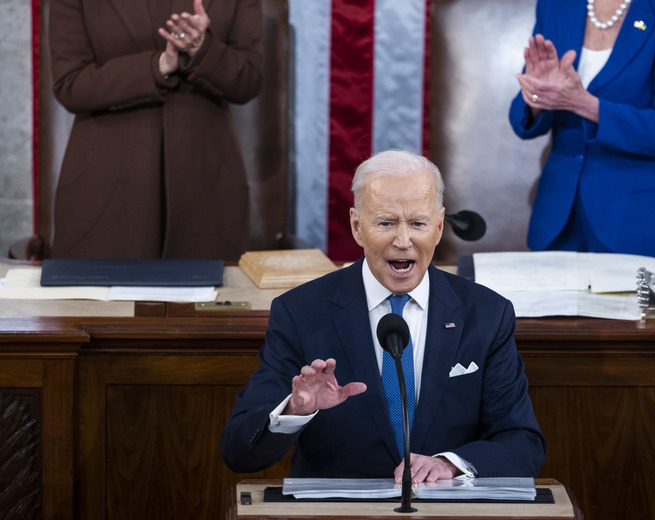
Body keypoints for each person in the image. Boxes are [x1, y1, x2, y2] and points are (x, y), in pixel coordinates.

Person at [221, 150, 545, 482]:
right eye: (386, 223)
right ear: (358, 227)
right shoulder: (300, 312)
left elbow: (521, 441)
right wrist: (293, 411)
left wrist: (450, 464)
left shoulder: (487, 313)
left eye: (418, 223)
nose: (403, 241)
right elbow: (238, 452)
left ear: (437, 226)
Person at [48, 0, 262, 260]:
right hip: (105, 194)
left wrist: (203, 49)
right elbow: (70, 84)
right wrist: (158, 65)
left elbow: (249, 80)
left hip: (206, 193)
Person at [509, 0, 655, 258]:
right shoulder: (556, 5)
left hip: (641, 224)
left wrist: (585, 105)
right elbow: (523, 116)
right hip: (559, 224)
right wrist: (539, 96)